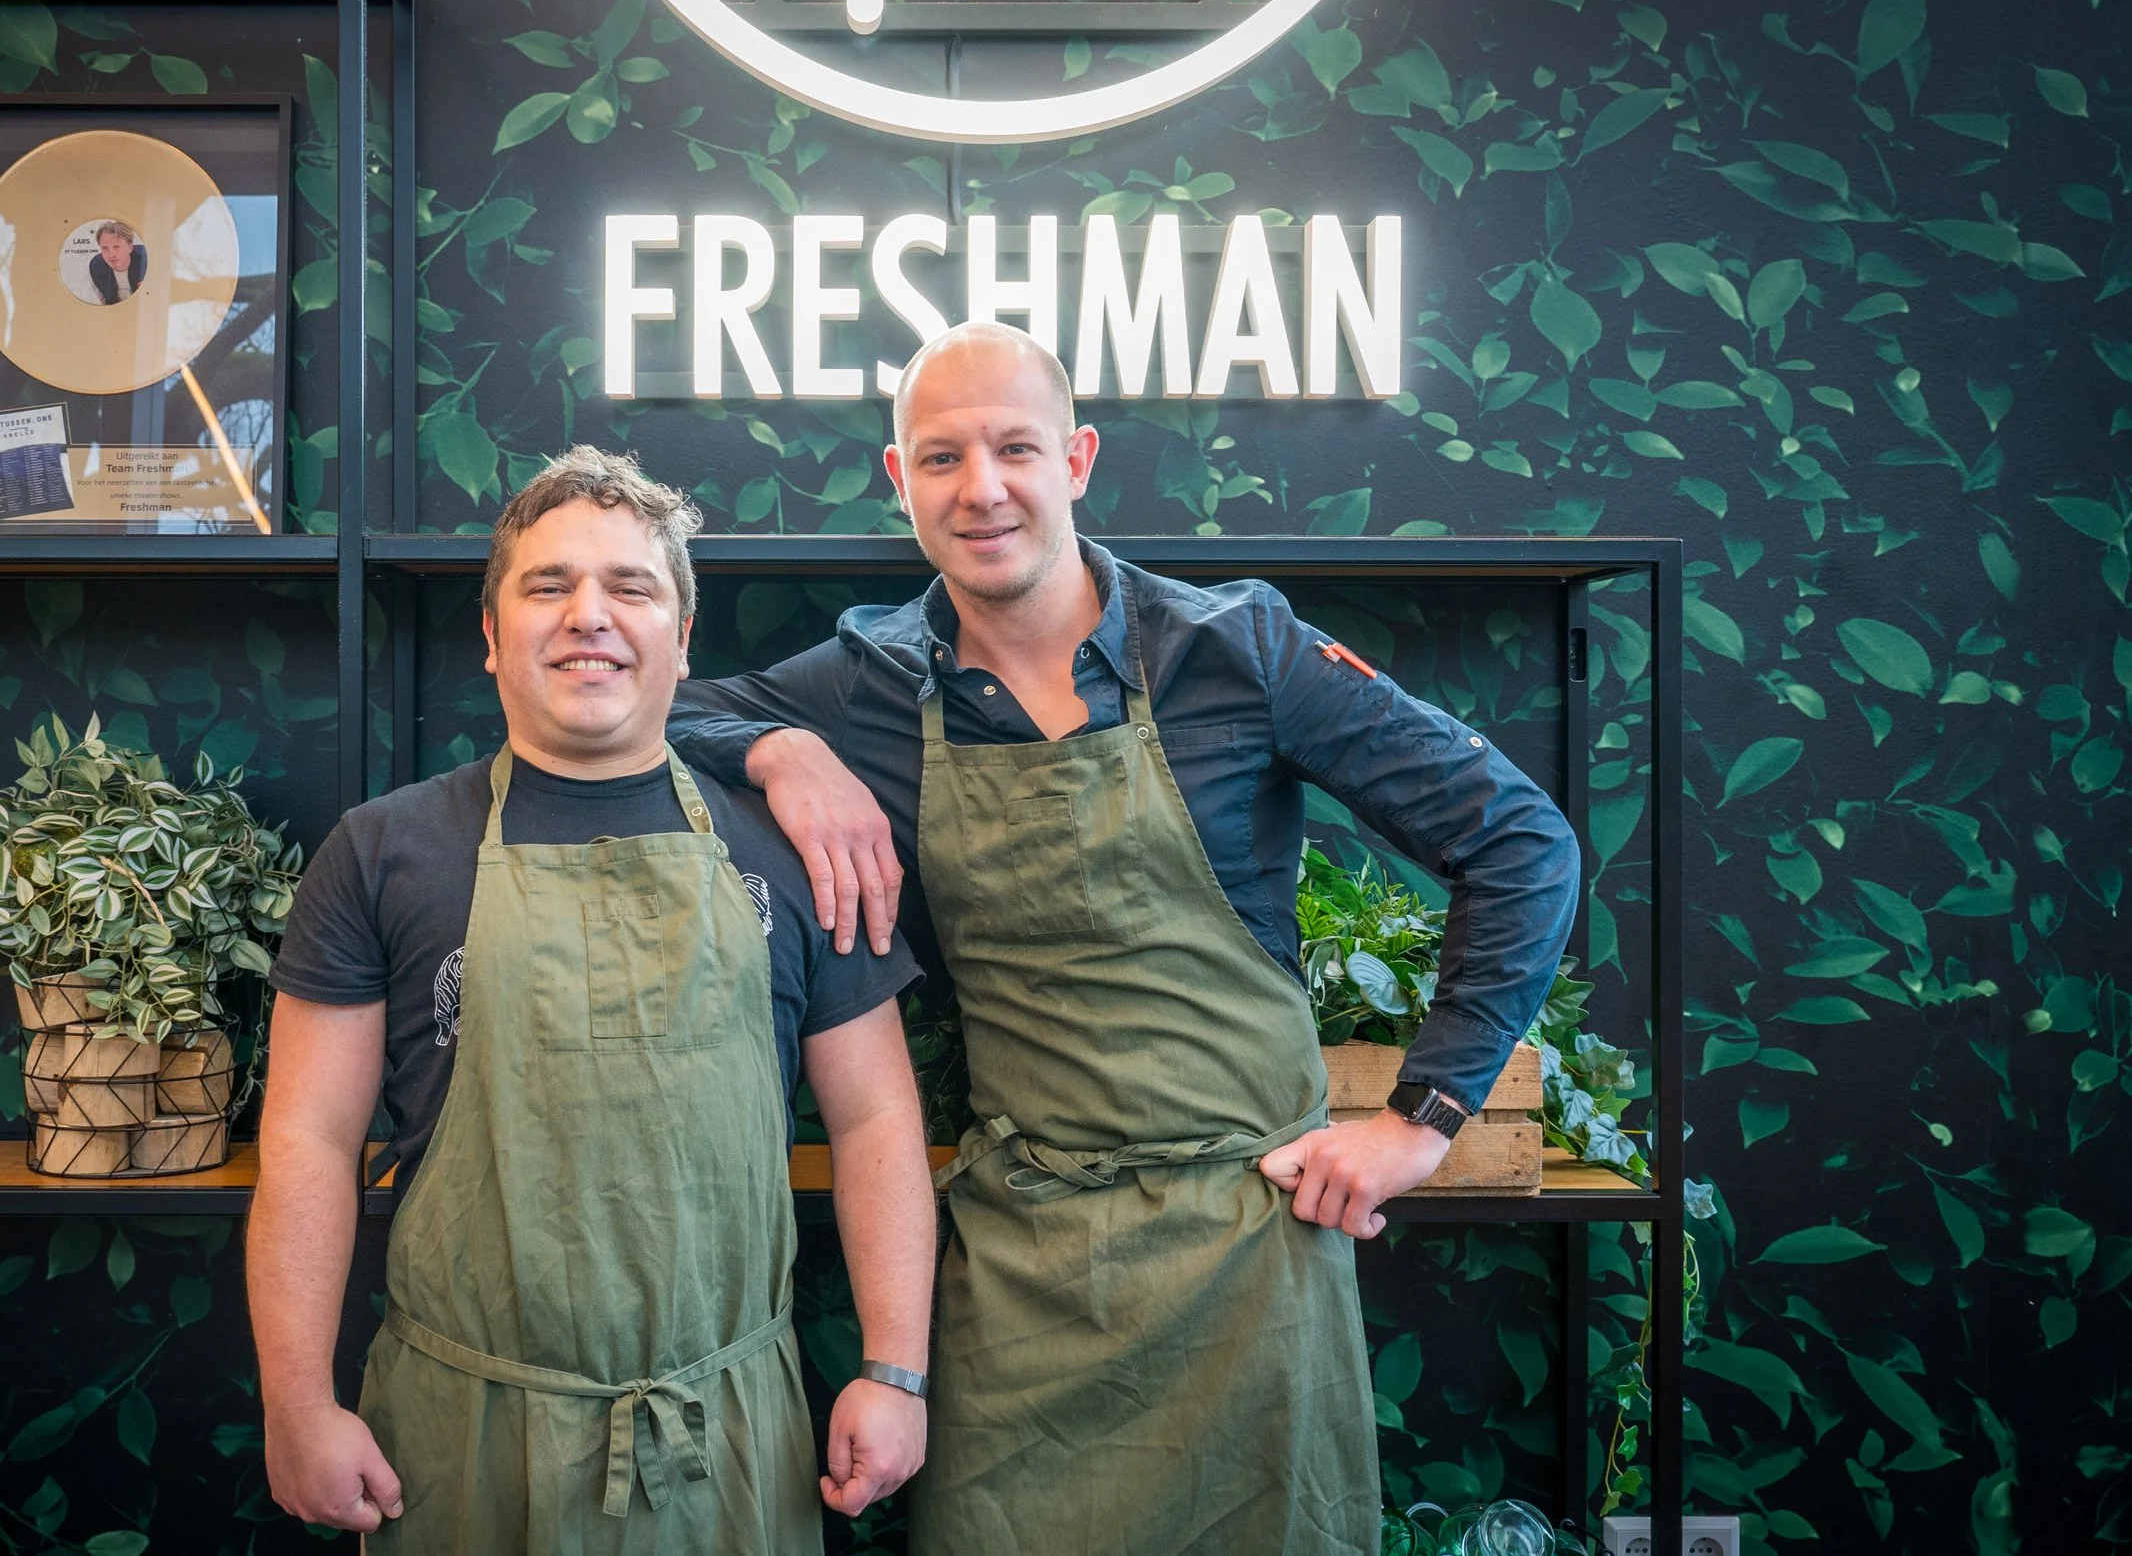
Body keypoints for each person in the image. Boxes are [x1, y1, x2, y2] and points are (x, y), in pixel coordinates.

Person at [666, 322, 1583, 1553]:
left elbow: (1522, 841)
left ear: (1078, 457)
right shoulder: (866, 681)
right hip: (1022, 1265)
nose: (980, 487)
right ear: (900, 482)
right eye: (941, 458)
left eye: (1015, 448)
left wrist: (1419, 1124)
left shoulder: (1238, 649)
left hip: (1253, 1254)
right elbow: (644, 707)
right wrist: (781, 748)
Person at [248, 447, 936, 1551]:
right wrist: (296, 1401)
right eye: (546, 584)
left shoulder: (799, 852)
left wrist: (894, 1369)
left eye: (630, 586)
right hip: (459, 1438)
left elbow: (876, 1119)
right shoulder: (382, 851)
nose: (588, 615)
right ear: (491, 635)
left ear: (680, 637)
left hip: (730, 1436)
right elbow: (308, 1141)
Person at [88, 220, 147, 304]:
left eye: (116, 247)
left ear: (130, 247)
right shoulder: (96, 267)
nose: (111, 255)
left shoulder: (147, 260)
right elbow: (103, 302)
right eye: (105, 248)